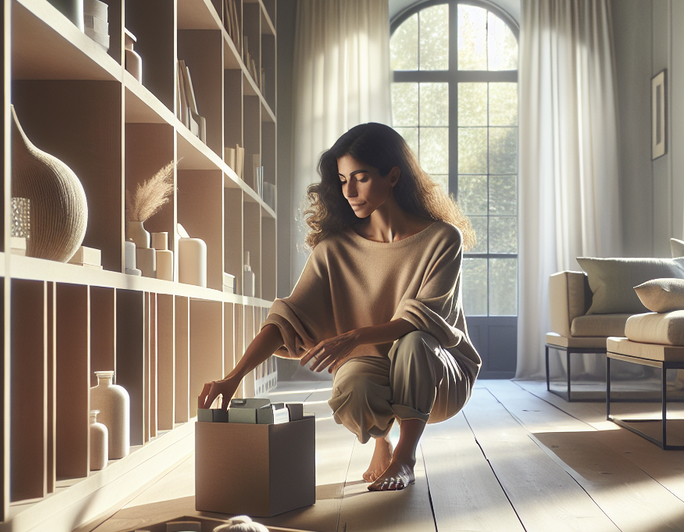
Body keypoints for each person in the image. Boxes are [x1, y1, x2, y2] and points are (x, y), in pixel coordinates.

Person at [198, 122, 481, 491]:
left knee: (414, 342)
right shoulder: (333, 249)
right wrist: (233, 377)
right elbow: (287, 318)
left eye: (360, 178)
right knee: (350, 386)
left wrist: (356, 336)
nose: (349, 191)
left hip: (440, 372)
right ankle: (382, 440)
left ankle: (404, 459)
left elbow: (423, 320)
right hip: (378, 368)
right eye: (343, 179)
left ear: (393, 176)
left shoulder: (443, 238)